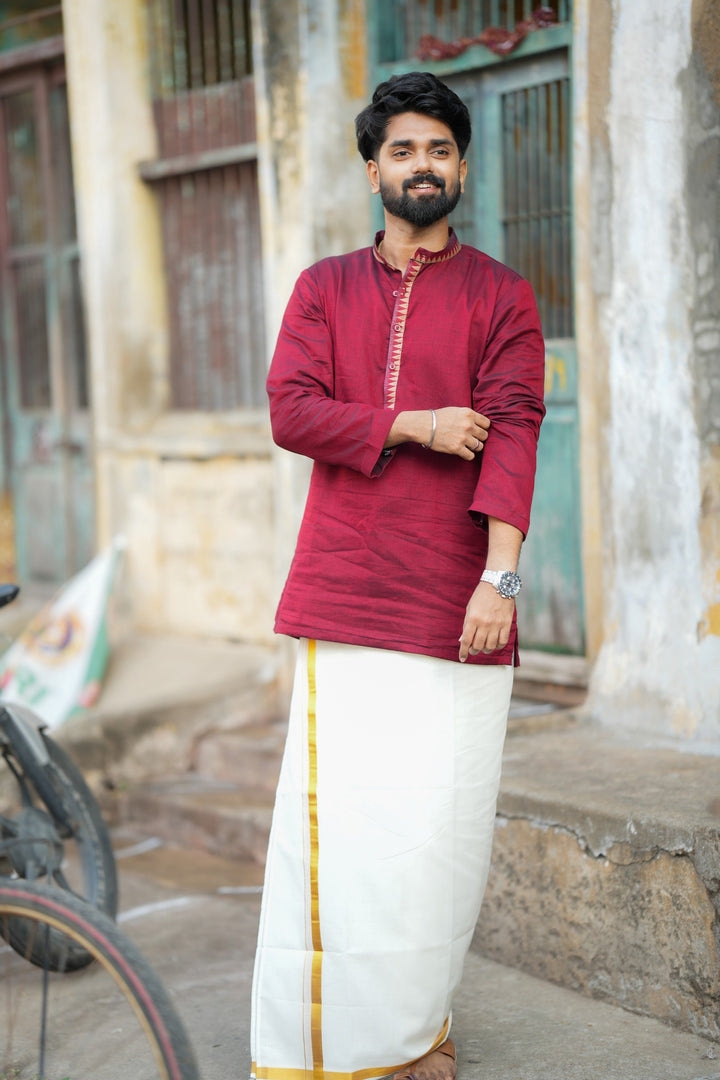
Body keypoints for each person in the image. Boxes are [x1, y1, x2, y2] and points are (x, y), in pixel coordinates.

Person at [250, 71, 545, 1080]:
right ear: (372, 167)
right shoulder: (324, 290)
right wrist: (412, 423)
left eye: (441, 149)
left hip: (459, 593)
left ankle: (418, 1031)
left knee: (440, 831)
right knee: (343, 834)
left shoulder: (502, 294)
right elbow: (291, 412)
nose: (424, 166)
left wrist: (497, 586)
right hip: (347, 586)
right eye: (404, 150)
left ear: (462, 166)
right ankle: (321, 1043)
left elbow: (514, 436)